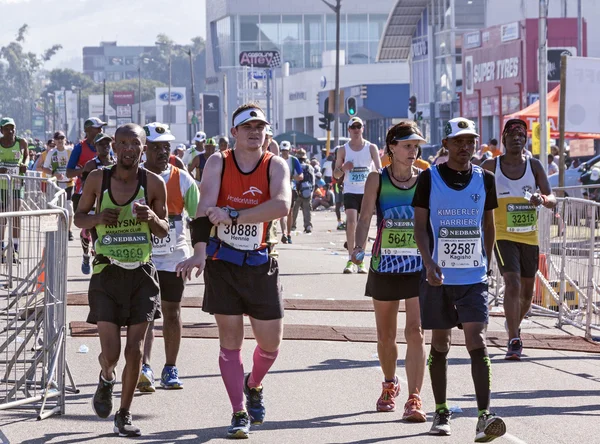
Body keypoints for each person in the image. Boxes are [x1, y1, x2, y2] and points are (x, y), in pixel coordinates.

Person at [176, 103, 290, 439]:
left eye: (260, 127)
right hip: (222, 262)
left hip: (260, 262)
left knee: (270, 344)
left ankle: (253, 384)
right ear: (234, 133)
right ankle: (238, 411)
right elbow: (204, 207)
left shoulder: (275, 164)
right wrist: (199, 252)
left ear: (266, 132)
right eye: (247, 127)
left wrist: (235, 215)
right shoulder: (218, 162)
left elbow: (281, 205)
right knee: (231, 341)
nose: (255, 132)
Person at [412, 117, 506, 441]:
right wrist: (428, 263)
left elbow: (489, 225)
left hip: (473, 277)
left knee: (476, 341)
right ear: (446, 144)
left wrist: (488, 262)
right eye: (459, 141)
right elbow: (420, 228)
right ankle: (441, 410)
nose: (465, 148)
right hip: (438, 277)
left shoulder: (486, 179)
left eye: (470, 141)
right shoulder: (429, 178)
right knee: (440, 344)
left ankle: (484, 416)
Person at [74, 123, 169, 437]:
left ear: (144, 148)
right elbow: (79, 218)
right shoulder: (97, 179)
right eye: (123, 143)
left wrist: (151, 218)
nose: (129, 149)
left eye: (136, 144)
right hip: (107, 273)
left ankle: (124, 414)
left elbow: (164, 229)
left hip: (142, 273)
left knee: (135, 351)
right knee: (112, 354)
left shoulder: (154, 183)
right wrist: (99, 218)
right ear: (114, 146)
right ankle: (106, 377)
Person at [352, 122, 428, 421]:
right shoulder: (377, 179)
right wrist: (358, 248)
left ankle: (415, 397)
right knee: (385, 335)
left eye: (416, 146)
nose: (413, 151)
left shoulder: (426, 180)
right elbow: (365, 216)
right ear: (392, 147)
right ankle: (389, 383)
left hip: (417, 264)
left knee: (416, 331)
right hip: (384, 264)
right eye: (407, 145)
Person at [481, 118, 556, 361]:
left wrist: (542, 199)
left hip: (529, 236)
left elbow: (552, 197)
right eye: (512, 135)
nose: (517, 139)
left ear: (526, 140)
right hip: (502, 234)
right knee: (511, 283)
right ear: (503, 139)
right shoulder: (492, 165)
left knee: (526, 293)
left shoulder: (534, 166)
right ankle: (514, 338)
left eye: (521, 136)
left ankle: (514, 323)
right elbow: (474, 193)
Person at [138, 122, 199, 392]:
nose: (163, 152)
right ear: (144, 150)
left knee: (172, 312)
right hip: (141, 256)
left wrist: (200, 253)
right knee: (145, 314)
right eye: (156, 147)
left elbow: (198, 218)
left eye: (167, 147)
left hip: (174, 255)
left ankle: (170, 368)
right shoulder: (133, 177)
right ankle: (144, 368)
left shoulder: (183, 179)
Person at [332, 116, 382, 274]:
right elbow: (336, 174)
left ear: (363, 128)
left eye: (358, 127)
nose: (355, 130)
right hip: (350, 190)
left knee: (363, 224)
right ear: (348, 130)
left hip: (367, 191)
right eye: (353, 127)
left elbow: (379, 170)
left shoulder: (371, 147)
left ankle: (359, 260)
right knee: (351, 222)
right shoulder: (343, 149)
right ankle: (350, 259)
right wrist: (344, 167)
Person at [67, 117, 108, 274]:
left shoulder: (105, 146)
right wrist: (85, 171)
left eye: (101, 128)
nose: (100, 130)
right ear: (88, 131)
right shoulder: (79, 148)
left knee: (99, 227)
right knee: (87, 228)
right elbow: (68, 172)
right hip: (82, 193)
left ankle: (100, 256)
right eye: (97, 128)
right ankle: (86, 253)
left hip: (103, 194)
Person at [0, 117, 28, 264]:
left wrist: (24, 164)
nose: (10, 131)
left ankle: (15, 250)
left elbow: (27, 156)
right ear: (1, 130)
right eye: (6, 128)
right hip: (1, 187)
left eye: (12, 128)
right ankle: (1, 250)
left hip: (17, 184)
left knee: (17, 215)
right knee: (2, 219)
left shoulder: (21, 142)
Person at [43, 130, 75, 239]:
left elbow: (77, 164)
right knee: (56, 207)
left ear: (65, 140)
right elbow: (45, 168)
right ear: (55, 141)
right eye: (58, 139)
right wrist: (54, 173)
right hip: (56, 184)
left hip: (68, 183)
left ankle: (68, 230)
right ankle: (54, 231)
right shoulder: (51, 153)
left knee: (69, 207)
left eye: (62, 138)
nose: (60, 140)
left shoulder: (70, 151)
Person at [279, 141, 303, 244]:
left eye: (286, 151)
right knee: (281, 212)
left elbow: (301, 176)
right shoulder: (277, 160)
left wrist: (292, 177)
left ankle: (288, 234)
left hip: (290, 187)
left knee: (289, 212)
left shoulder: (294, 160)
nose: (285, 153)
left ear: (290, 150)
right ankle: (283, 233)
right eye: (283, 151)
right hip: (278, 188)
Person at [292, 149, 315, 233]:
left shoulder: (295, 167)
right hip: (307, 191)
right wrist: (311, 192)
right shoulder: (310, 167)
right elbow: (313, 181)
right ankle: (308, 226)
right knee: (307, 209)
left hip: (297, 191)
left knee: (294, 209)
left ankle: (292, 225)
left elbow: (293, 180)